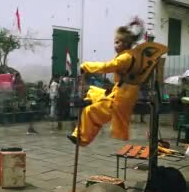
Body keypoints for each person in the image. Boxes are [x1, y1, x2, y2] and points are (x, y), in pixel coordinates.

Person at [67, 17, 167, 146]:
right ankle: (86, 111)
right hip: (120, 92)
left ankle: (82, 139)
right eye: (115, 42)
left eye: (117, 42)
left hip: (121, 97)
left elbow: (106, 67)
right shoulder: (131, 55)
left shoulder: (125, 58)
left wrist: (86, 66)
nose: (115, 46)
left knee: (90, 112)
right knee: (94, 91)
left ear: (125, 43)